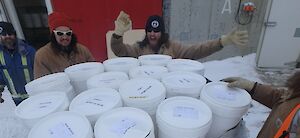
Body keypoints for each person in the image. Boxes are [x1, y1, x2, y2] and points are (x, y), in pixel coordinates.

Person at [111, 11, 248, 59]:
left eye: (156, 31)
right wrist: (118, 34)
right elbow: (120, 51)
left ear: (162, 32)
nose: (152, 34)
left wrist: (221, 42)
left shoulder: (173, 47)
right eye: (150, 31)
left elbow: (196, 50)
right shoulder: (138, 48)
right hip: (148, 94)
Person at [34, 12, 95, 78]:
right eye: (60, 33)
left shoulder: (83, 50)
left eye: (68, 33)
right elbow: (42, 83)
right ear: (53, 34)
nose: (65, 37)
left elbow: (94, 70)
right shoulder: (42, 56)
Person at [0, 22, 35, 105]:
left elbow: (40, 73)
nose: (7, 36)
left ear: (15, 34)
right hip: (17, 99)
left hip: (34, 96)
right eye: (4, 34)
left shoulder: (29, 51)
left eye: (10, 33)